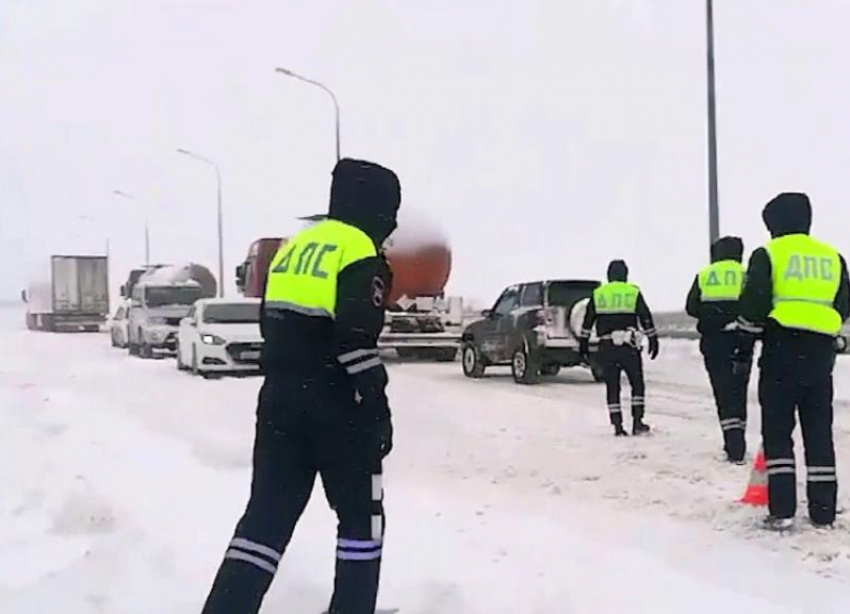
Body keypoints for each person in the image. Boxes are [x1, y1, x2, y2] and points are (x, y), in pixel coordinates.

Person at [201, 158, 401, 614]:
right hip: (338, 406)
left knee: (266, 519)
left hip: (279, 400)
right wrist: (376, 409)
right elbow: (355, 342)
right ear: (375, 208)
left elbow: (269, 322)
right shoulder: (359, 251)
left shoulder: (295, 247)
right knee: (360, 521)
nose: (391, 225)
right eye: (390, 212)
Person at [739, 192, 850, 530]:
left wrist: (745, 344)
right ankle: (823, 510)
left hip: (781, 350)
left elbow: (753, 306)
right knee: (818, 431)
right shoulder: (833, 257)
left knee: (778, 431)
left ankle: (783, 509)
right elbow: (844, 305)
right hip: (820, 355)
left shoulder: (768, 254)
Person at [686, 236, 753, 463]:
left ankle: (731, 443)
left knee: (722, 392)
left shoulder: (705, 275)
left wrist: (712, 314)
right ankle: (739, 441)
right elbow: (756, 304)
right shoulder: (746, 274)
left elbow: (691, 307)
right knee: (738, 390)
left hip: (714, 341)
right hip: (741, 340)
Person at [579, 260, 659, 436]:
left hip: (607, 347)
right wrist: (653, 338)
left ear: (609, 276)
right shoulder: (633, 292)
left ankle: (617, 426)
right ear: (625, 275)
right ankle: (637, 422)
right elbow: (645, 316)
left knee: (612, 386)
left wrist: (583, 344)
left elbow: (588, 321)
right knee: (637, 384)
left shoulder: (598, 294)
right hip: (628, 347)